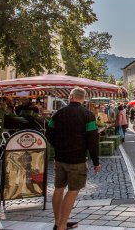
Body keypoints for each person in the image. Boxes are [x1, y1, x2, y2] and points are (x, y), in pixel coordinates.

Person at [46, 87, 101, 230]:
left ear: (71, 96)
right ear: (83, 98)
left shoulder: (58, 114)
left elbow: (49, 133)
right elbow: (92, 140)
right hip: (77, 159)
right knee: (72, 191)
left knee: (58, 189)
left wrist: (58, 146)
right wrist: (96, 161)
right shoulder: (88, 115)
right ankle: (63, 225)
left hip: (60, 158)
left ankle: (58, 222)